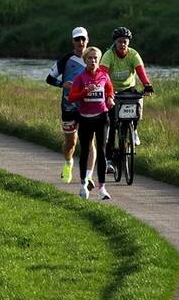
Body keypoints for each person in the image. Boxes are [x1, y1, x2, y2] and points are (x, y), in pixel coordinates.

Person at [45, 26, 96, 186]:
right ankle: (68, 163)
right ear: (72, 41)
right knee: (71, 143)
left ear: (88, 40)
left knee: (89, 142)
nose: (80, 42)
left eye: (83, 39)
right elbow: (49, 78)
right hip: (69, 107)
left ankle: (87, 177)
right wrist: (63, 84)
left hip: (89, 107)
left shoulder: (95, 58)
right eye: (77, 39)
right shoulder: (66, 60)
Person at [100, 26, 154, 173]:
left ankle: (134, 129)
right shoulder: (108, 55)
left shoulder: (133, 54)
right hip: (111, 90)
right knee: (112, 125)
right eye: (119, 42)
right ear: (115, 43)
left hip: (128, 90)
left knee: (137, 104)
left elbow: (141, 72)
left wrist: (147, 85)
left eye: (125, 41)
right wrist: (106, 93)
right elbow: (103, 75)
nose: (122, 44)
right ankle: (109, 160)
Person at [67, 46, 114, 200]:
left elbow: (109, 89)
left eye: (95, 58)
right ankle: (83, 185)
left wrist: (110, 98)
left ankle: (102, 188)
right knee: (85, 151)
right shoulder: (80, 78)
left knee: (101, 151)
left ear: (99, 60)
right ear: (85, 60)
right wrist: (85, 92)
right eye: (90, 58)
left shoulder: (104, 75)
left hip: (102, 117)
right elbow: (72, 98)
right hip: (85, 118)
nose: (93, 61)